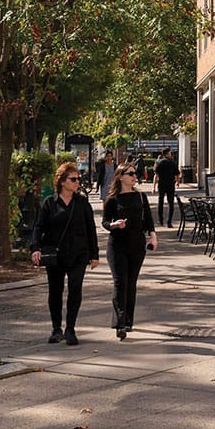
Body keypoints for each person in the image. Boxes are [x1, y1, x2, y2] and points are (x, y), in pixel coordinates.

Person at [31, 163, 100, 346]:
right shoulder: (49, 203)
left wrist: (95, 254)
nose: (77, 182)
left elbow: (91, 229)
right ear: (62, 181)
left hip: (79, 254)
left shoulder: (82, 203)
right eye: (73, 179)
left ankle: (70, 328)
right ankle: (56, 329)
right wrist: (35, 248)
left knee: (75, 290)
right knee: (55, 291)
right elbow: (39, 227)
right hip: (56, 255)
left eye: (78, 179)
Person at [102, 163, 158, 340]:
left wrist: (153, 237)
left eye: (136, 173)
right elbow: (104, 222)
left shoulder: (140, 197)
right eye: (131, 173)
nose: (135, 176)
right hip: (117, 244)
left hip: (136, 244)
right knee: (120, 282)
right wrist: (113, 225)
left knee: (131, 283)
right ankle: (119, 323)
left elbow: (148, 219)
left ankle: (128, 321)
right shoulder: (113, 199)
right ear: (120, 177)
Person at [152, 147, 180, 227]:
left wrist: (154, 186)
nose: (171, 154)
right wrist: (177, 182)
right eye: (170, 153)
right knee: (170, 203)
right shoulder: (172, 163)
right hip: (170, 184)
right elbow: (177, 174)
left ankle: (160, 220)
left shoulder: (159, 163)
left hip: (161, 184)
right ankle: (169, 222)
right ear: (167, 153)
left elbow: (156, 175)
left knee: (160, 202)